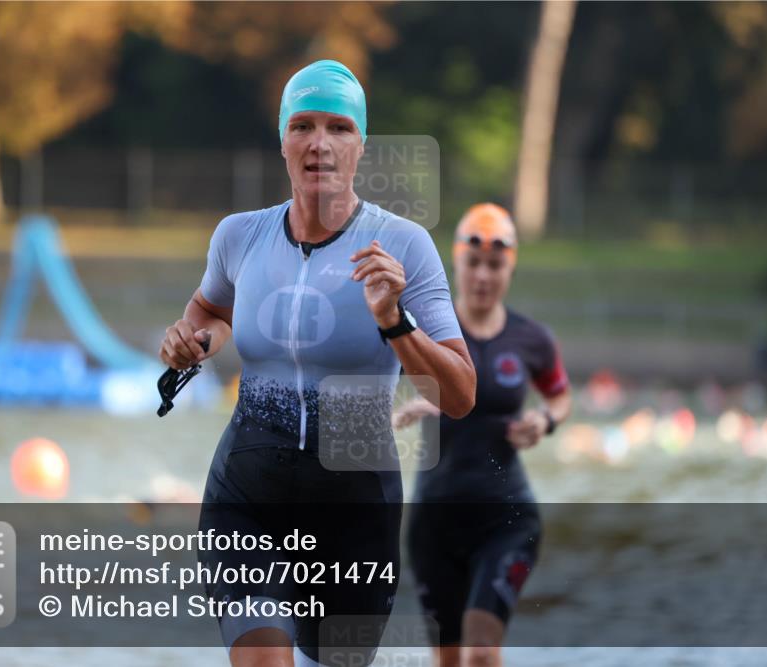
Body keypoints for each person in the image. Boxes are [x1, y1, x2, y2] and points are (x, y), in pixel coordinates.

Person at [159, 59, 476, 667]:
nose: (319, 144)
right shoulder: (239, 236)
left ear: (361, 145)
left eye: (338, 128)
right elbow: (211, 311)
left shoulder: (403, 246)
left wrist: (395, 321)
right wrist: (190, 341)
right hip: (247, 495)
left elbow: (460, 395)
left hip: (355, 510)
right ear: (282, 140)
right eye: (302, 126)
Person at [393, 203, 572, 667]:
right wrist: (421, 402)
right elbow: (373, 382)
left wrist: (545, 421)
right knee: (450, 660)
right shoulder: (424, 332)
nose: (483, 277)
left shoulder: (532, 339)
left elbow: (559, 397)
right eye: (474, 263)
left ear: (510, 268)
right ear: (457, 262)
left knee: (481, 651)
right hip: (434, 521)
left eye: (495, 265)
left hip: (506, 520)